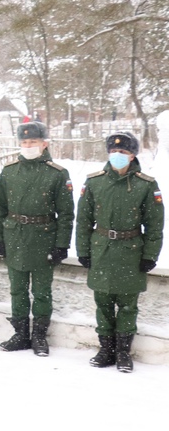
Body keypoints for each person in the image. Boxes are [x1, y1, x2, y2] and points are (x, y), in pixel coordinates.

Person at [75, 132, 163, 373]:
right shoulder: (95, 182)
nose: (117, 156)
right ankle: (106, 349)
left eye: (123, 152)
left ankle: (123, 351)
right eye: (113, 152)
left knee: (127, 305)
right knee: (102, 302)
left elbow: (155, 225)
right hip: (101, 248)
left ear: (133, 155)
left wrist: (150, 255)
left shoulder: (146, 184)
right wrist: (83, 250)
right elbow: (83, 220)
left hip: (131, 251)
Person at [0, 121, 74, 356]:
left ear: (44, 143)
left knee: (41, 291)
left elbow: (66, 214)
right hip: (14, 236)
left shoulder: (57, 173)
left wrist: (61, 244)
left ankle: (39, 335)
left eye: (33, 142)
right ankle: (20, 334)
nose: (28, 146)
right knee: (17, 289)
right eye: (24, 142)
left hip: (42, 238)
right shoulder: (9, 171)